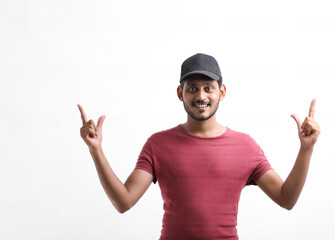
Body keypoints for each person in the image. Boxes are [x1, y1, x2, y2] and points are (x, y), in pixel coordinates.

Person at [78, 53, 320, 240]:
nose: (200, 95)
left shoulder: (246, 146)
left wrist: (306, 149)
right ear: (180, 93)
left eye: (208, 88)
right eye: (192, 88)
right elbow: (124, 202)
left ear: (221, 92)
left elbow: (286, 199)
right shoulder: (158, 145)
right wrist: (96, 150)